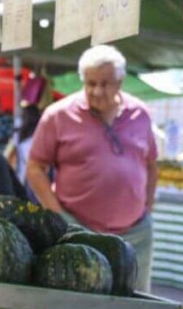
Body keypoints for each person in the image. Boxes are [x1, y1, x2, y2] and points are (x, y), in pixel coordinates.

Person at [27, 45, 158, 292]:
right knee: (83, 304)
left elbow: (151, 164)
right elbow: (35, 167)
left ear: (120, 81)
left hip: (135, 232)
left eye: (105, 83)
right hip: (79, 231)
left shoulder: (140, 114)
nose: (97, 91)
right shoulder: (58, 115)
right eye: (90, 83)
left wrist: (147, 207)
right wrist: (57, 214)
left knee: (137, 307)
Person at [6, 104, 42, 187]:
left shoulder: (18, 135)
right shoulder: (43, 134)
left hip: (22, 177)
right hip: (40, 178)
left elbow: (7, 155)